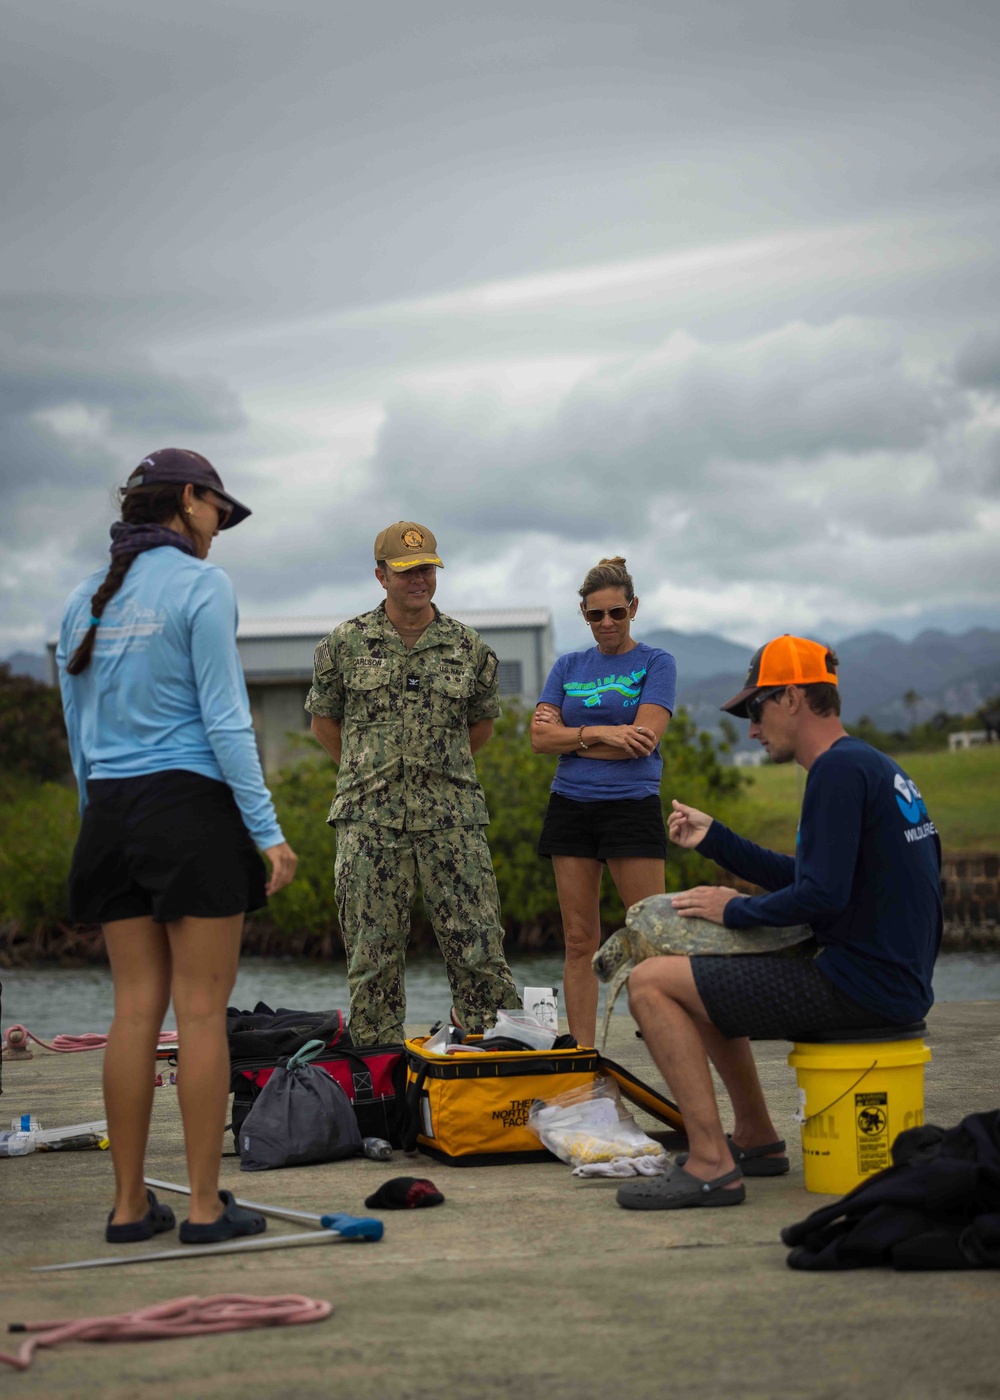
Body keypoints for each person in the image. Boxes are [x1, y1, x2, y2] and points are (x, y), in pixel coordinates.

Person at [57, 448, 297, 1244]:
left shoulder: (81, 602)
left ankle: (128, 1209)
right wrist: (267, 832)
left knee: (133, 1014)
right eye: (218, 513)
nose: (220, 530)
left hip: (113, 817)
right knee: (199, 1016)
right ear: (189, 501)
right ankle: (201, 1207)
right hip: (188, 809)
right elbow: (227, 720)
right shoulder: (202, 586)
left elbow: (79, 737)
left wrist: (103, 826)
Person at [616, 634, 942, 1211]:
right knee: (702, 975)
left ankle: (712, 1165)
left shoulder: (836, 774)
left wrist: (733, 909)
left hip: (861, 988)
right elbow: (815, 877)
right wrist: (718, 841)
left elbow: (818, 896)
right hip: (892, 981)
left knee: (651, 983)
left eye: (755, 709)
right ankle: (756, 1140)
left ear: (792, 697)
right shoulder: (871, 766)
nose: (752, 728)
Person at [306, 521, 519, 1045]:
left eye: (426, 568)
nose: (418, 579)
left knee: (478, 948)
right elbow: (324, 722)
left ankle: (491, 1067)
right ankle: (380, 1084)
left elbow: (481, 725)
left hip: (453, 820)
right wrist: (365, 769)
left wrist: (436, 774)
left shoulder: (469, 648)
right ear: (381, 576)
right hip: (368, 821)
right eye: (405, 571)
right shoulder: (343, 644)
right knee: (372, 956)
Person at [530, 557, 676, 1046]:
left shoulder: (656, 662)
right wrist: (599, 731)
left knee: (649, 939)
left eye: (617, 612)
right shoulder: (568, 665)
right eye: (596, 616)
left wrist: (572, 736)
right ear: (584, 615)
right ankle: (582, 1055)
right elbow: (538, 739)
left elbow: (644, 739)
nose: (607, 624)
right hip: (570, 806)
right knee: (578, 941)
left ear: (633, 608)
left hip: (631, 805)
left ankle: (670, 1041)